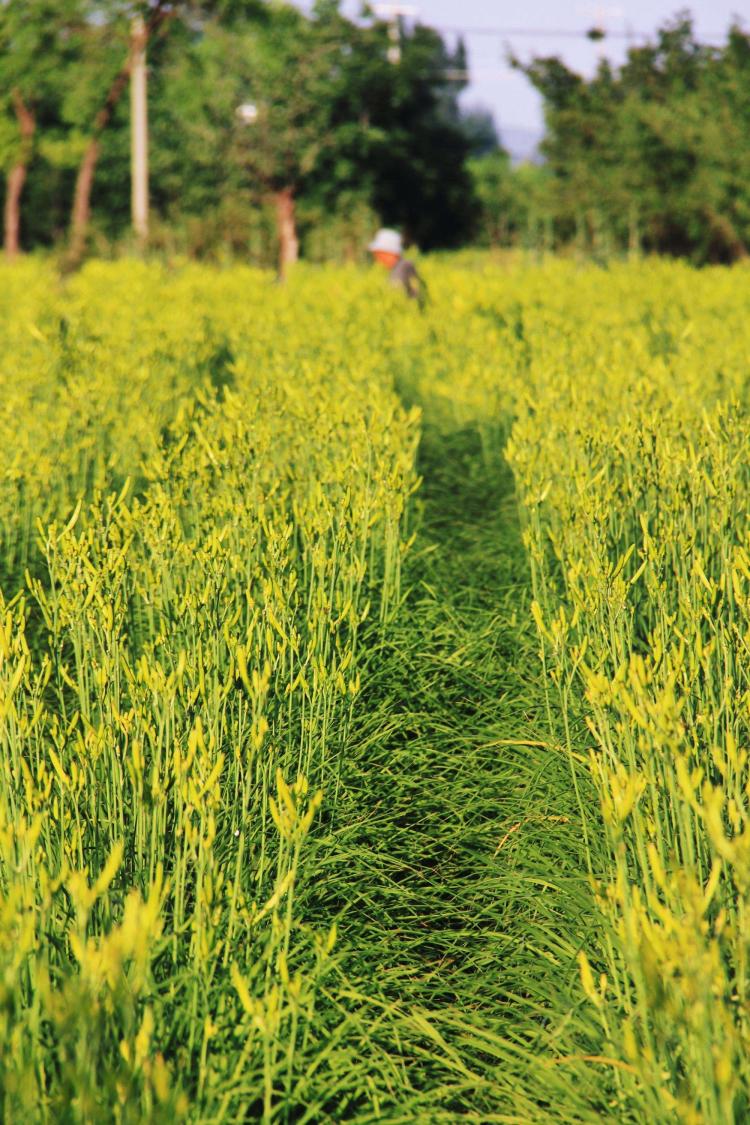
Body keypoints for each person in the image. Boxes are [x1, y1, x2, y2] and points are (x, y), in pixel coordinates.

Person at [368, 228, 426, 307]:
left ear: (389, 253)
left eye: (379, 253)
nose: (377, 258)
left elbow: (396, 296)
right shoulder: (401, 266)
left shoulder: (402, 268)